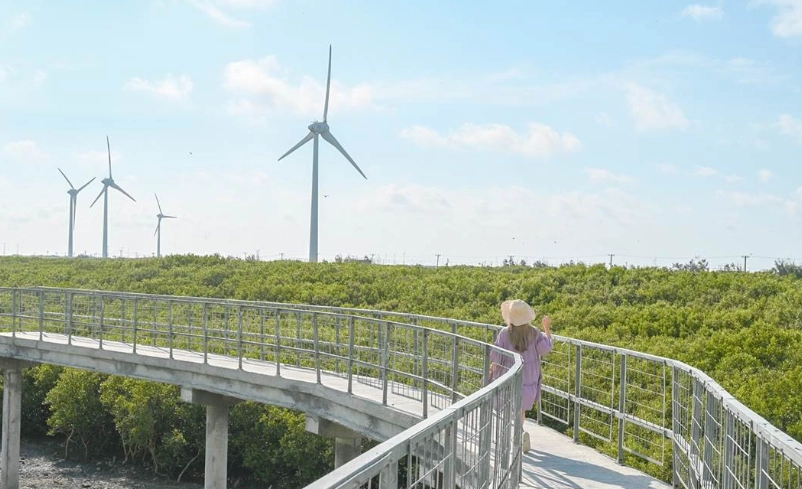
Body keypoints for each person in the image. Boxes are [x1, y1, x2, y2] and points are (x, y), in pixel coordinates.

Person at [489, 299, 553, 453]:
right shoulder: (535, 332)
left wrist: (491, 372)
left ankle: (512, 434)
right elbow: (545, 349)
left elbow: (496, 356)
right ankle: (520, 430)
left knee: (507, 405)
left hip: (508, 375)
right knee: (521, 408)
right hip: (529, 376)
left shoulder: (505, 333)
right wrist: (547, 329)